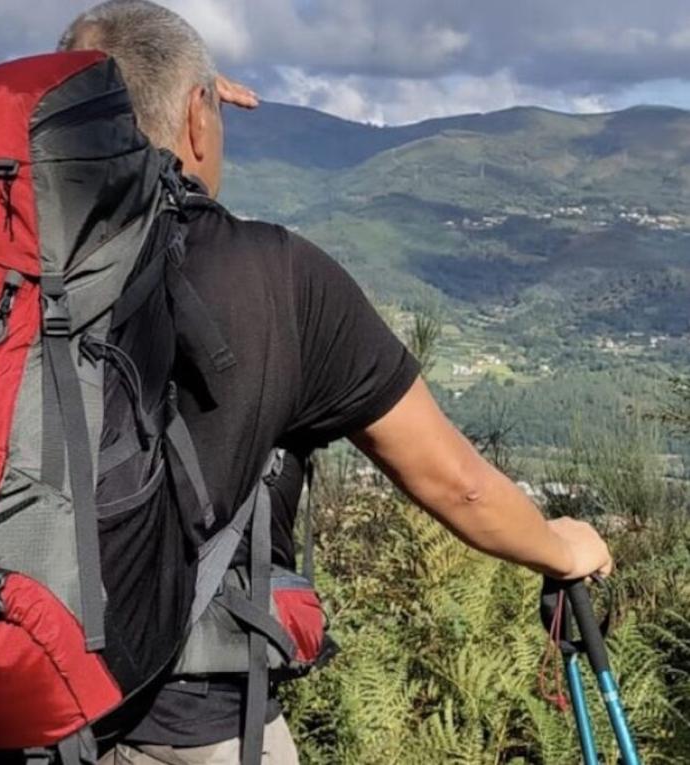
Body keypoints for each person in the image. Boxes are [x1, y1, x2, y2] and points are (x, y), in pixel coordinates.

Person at [56, 3, 615, 764]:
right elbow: (460, 485)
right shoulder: (278, 283)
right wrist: (558, 545)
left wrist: (136, 93)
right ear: (197, 118)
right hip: (186, 726)